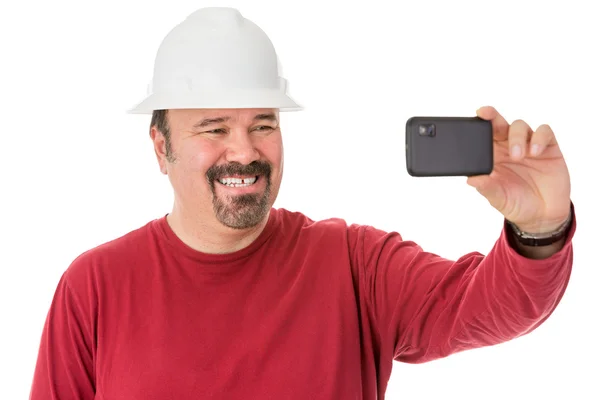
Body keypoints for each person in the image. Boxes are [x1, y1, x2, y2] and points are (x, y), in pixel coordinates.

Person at [29, 7, 575, 400]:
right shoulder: (93, 287)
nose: (244, 151)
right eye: (213, 128)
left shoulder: (353, 264)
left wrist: (541, 227)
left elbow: (486, 307)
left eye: (262, 124)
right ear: (161, 147)